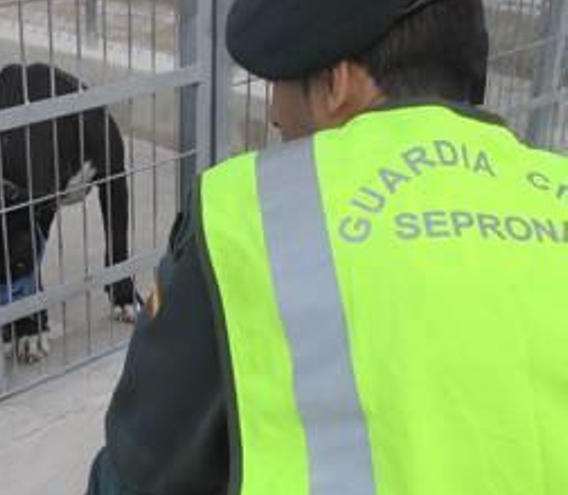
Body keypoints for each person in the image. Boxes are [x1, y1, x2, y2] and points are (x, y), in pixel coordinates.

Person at [86, 0, 568, 493]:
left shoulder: (246, 219)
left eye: (281, 83)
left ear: (338, 85)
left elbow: (139, 474)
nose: (275, 113)